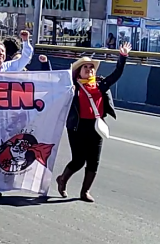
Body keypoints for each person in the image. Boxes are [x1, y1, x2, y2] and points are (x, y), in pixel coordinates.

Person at [55, 43, 130, 203]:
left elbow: (117, 74)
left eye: (91, 67)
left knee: (94, 161)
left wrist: (122, 57)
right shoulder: (73, 86)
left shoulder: (101, 84)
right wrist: (43, 63)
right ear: (79, 71)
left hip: (96, 125)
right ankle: (62, 179)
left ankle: (85, 191)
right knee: (79, 160)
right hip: (77, 127)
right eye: (85, 67)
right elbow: (54, 86)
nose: (89, 69)